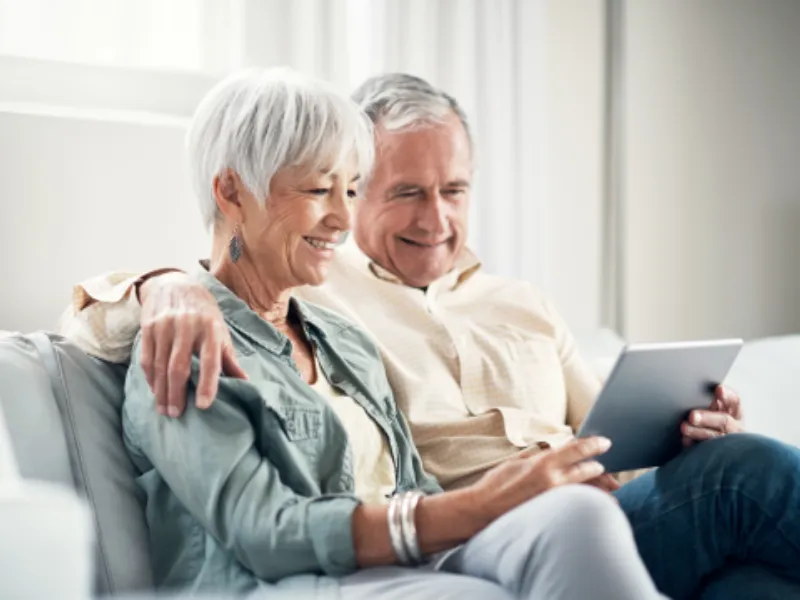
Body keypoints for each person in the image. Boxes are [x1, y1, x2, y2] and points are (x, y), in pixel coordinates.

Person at [61, 73, 800, 599]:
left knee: (747, 576)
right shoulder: (232, 322)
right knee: (743, 478)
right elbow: (266, 525)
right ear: (231, 191)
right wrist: (162, 284)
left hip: (505, 527)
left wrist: (670, 439)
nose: (343, 221)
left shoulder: (342, 332)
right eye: (328, 191)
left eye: (348, 192)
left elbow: (596, 447)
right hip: (398, 547)